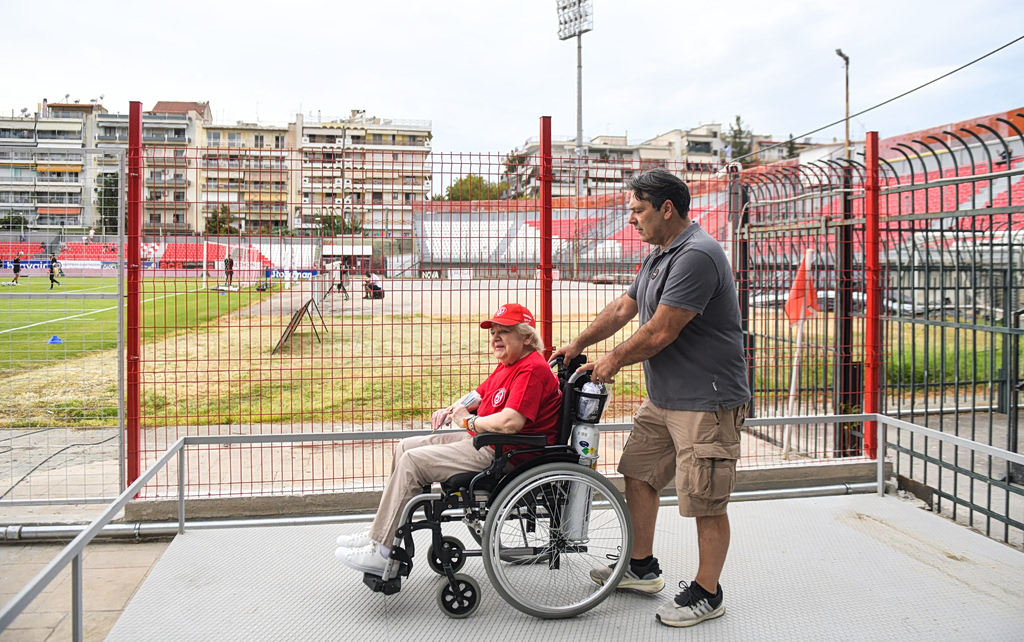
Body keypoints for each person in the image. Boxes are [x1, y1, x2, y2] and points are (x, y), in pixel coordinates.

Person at [551, 169, 750, 629]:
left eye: (638, 210)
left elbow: (661, 329)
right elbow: (625, 307)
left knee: (705, 497)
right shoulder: (660, 255)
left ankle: (707, 591)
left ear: (666, 209)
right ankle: (641, 567)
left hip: (706, 402)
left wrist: (612, 361)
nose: (631, 219)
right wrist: (578, 344)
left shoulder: (698, 254)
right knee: (638, 474)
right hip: (664, 398)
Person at [334, 303, 562, 577]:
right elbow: (477, 396)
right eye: (493, 333)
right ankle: (383, 533)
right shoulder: (509, 365)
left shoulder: (531, 370)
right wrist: (451, 409)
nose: (495, 338)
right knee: (405, 446)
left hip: (506, 455)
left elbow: (511, 422)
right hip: (488, 442)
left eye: (505, 331)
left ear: (527, 337)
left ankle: (382, 551)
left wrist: (468, 421)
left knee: (413, 462)